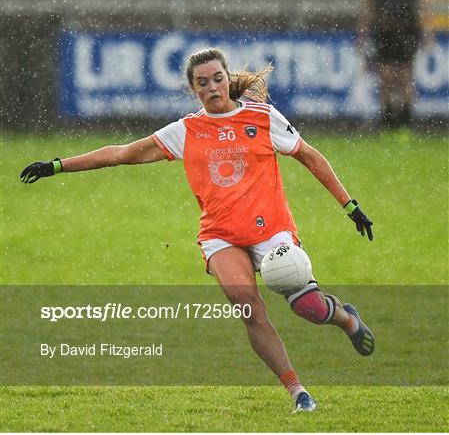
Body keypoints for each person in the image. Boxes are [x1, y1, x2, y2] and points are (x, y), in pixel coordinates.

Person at [20, 48, 374, 413]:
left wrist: (350, 206)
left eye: (218, 79)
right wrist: (58, 166)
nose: (212, 87)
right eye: (202, 83)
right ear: (194, 89)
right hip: (221, 236)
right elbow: (123, 153)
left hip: (272, 232)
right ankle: (299, 392)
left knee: (309, 308)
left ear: (227, 78)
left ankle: (346, 318)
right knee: (248, 307)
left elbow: (310, 156)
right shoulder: (186, 131)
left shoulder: (263, 118)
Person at [359, 0, 432, 128]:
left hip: (408, 31)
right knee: (385, 77)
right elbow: (369, 8)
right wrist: (362, 33)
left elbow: (423, 5)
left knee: (405, 76)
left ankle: (406, 121)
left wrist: (427, 31)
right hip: (384, 32)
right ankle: (388, 120)